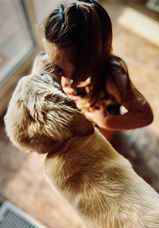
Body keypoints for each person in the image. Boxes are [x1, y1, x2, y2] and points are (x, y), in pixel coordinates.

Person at [42, 0, 153, 142]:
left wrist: (106, 122)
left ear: (87, 61)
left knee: (101, 144)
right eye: (53, 62)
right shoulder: (62, 54)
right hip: (83, 106)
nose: (55, 71)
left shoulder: (112, 77)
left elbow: (145, 116)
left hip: (102, 114)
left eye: (60, 68)